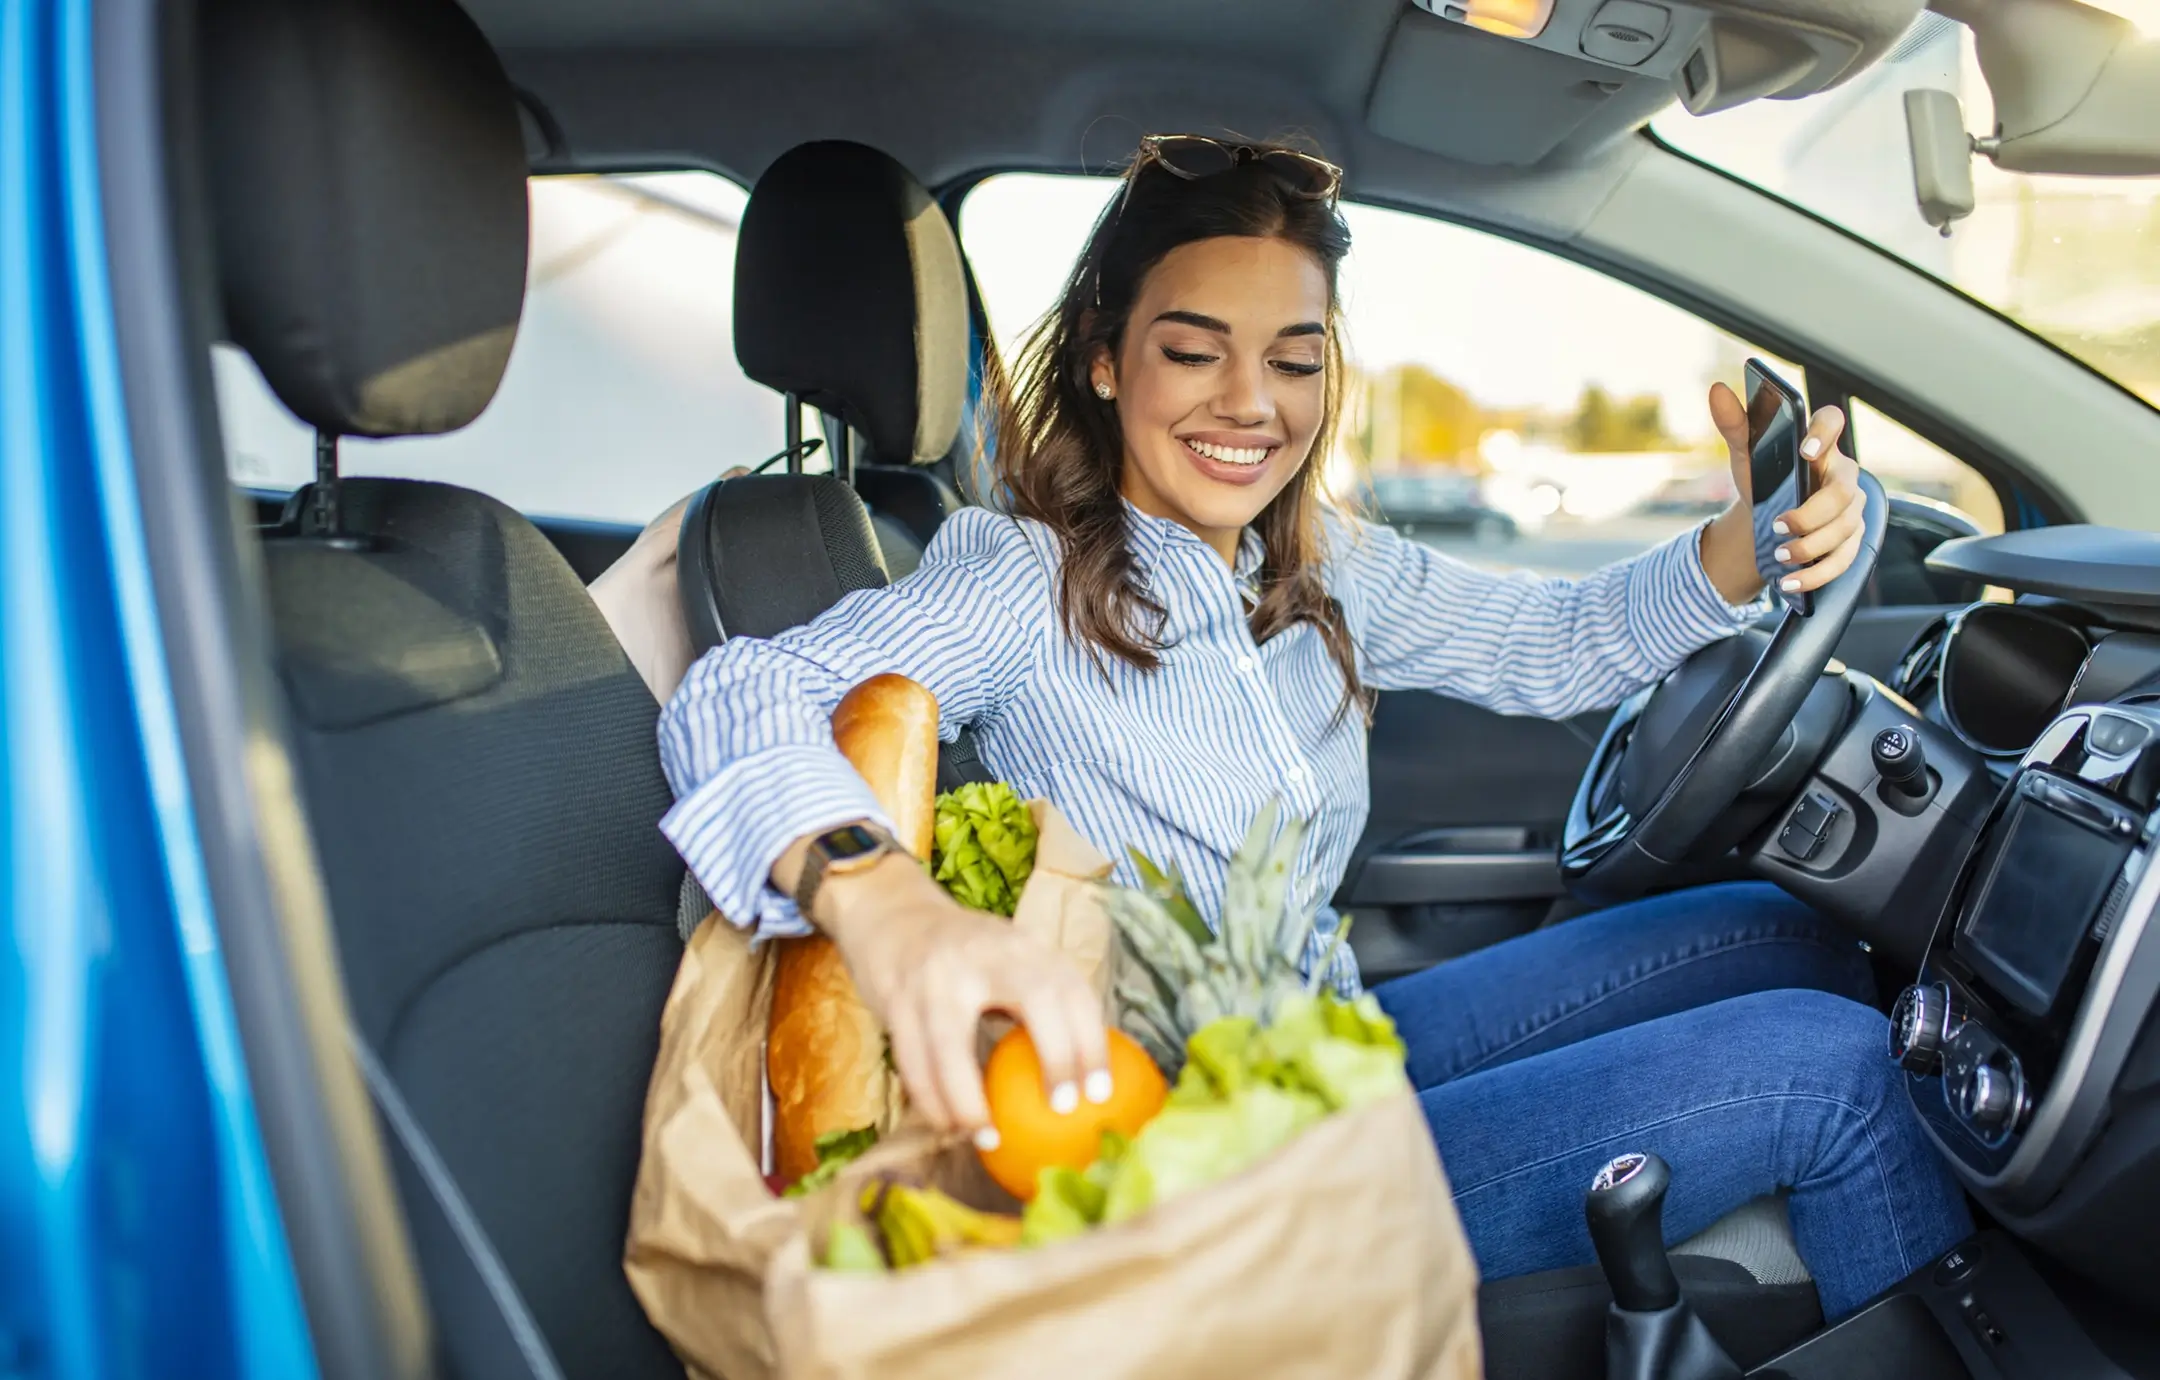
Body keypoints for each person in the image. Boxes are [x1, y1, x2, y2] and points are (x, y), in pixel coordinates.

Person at [656, 136, 1969, 1317]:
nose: (1252, 403)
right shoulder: (1019, 576)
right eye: (1194, 350)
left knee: (1784, 931)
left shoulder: (1315, 567)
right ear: (1107, 358)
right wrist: (888, 908)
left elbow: (1545, 642)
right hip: (1212, 1171)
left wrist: (1738, 553)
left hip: (1330, 1041)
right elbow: (740, 694)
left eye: (1293, 358)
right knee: (1837, 1072)